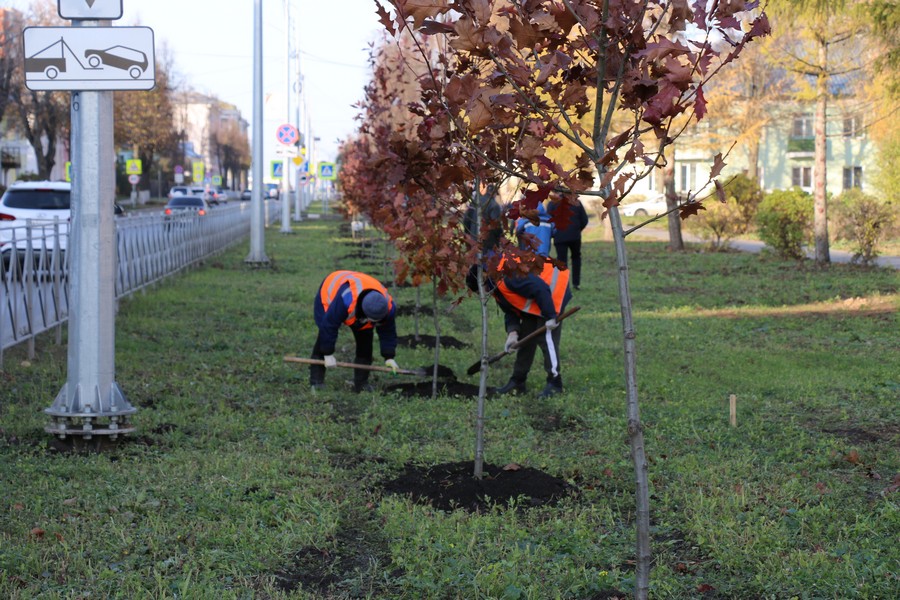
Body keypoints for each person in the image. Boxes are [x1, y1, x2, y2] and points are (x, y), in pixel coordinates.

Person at [467, 255, 572, 398]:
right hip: (537, 296)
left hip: (552, 290)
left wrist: (550, 316)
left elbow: (540, 288)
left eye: (481, 291)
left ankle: (555, 383)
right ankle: (517, 381)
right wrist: (513, 333)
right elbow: (510, 311)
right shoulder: (495, 285)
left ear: (484, 280)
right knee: (526, 338)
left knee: (546, 338)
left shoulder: (509, 275)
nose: (484, 295)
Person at [310, 270, 399, 392]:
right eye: (371, 320)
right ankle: (316, 382)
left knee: (365, 341)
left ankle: (361, 384)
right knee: (324, 336)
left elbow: (388, 331)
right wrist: (328, 353)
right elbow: (329, 326)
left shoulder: (388, 307)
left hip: (361, 300)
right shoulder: (345, 299)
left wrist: (389, 356)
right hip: (329, 293)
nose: (372, 324)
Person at [547, 195, 589, 290]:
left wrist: (554, 233)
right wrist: (577, 229)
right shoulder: (576, 202)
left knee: (562, 260)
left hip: (559, 236)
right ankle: (576, 283)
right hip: (575, 236)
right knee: (576, 258)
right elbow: (584, 220)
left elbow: (549, 220)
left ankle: (563, 284)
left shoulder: (552, 203)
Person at [463, 180, 504, 255]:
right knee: (488, 264)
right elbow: (496, 226)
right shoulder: (494, 205)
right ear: (494, 193)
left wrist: (469, 235)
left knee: (475, 264)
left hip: (474, 241)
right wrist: (500, 240)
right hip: (489, 243)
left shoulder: (474, 203)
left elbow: (466, 220)